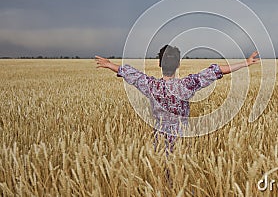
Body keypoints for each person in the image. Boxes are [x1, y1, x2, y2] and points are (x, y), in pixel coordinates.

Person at [95, 45, 260, 155]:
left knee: (161, 179)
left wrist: (110, 65)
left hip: (159, 141)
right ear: (179, 64)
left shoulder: (152, 86)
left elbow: (132, 75)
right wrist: (246, 62)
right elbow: (215, 72)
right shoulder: (186, 85)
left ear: (159, 63)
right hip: (182, 142)